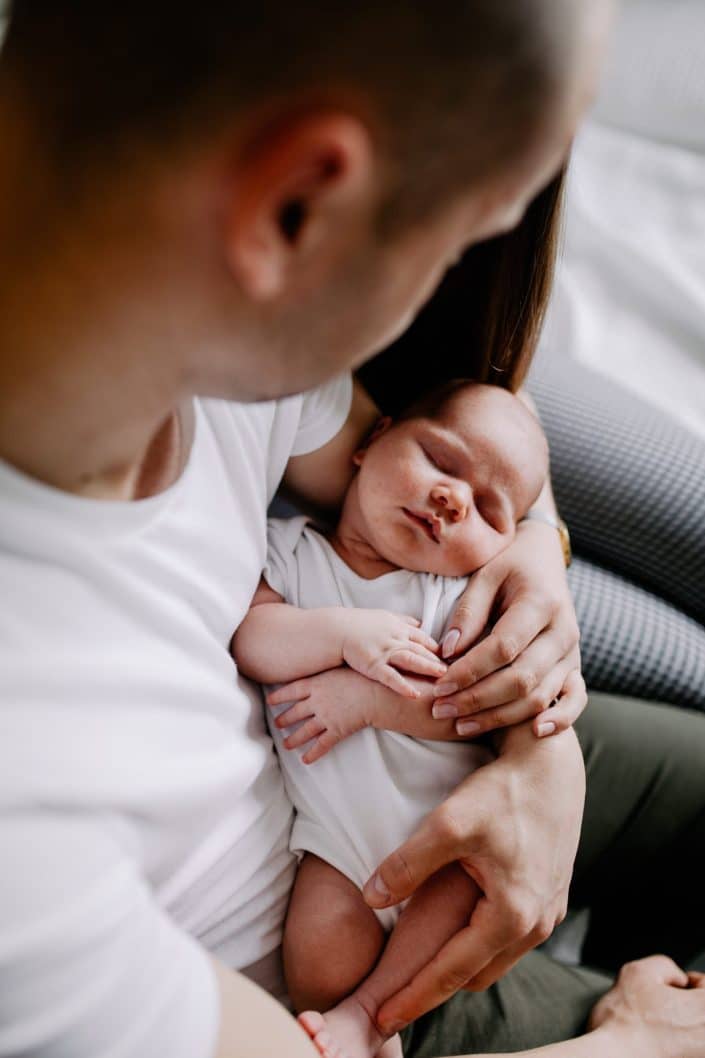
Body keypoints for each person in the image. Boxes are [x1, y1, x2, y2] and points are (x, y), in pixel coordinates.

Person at [2, 3, 705, 1058]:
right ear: (295, 211)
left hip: (440, 737)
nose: (435, 309)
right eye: (459, 242)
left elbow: (446, 450)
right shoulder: (29, 852)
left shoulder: (223, 357)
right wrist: (639, 1043)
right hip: (343, 968)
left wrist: (539, 726)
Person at [234, 381, 551, 1058]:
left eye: (489, 512)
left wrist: (371, 701)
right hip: (341, 846)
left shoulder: (459, 599)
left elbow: (479, 716)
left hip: (452, 828)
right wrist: (342, 635)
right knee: (318, 962)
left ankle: (372, 1020)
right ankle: (358, 1023)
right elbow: (256, 640)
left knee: (463, 903)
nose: (454, 499)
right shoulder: (289, 552)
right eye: (441, 461)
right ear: (372, 439)